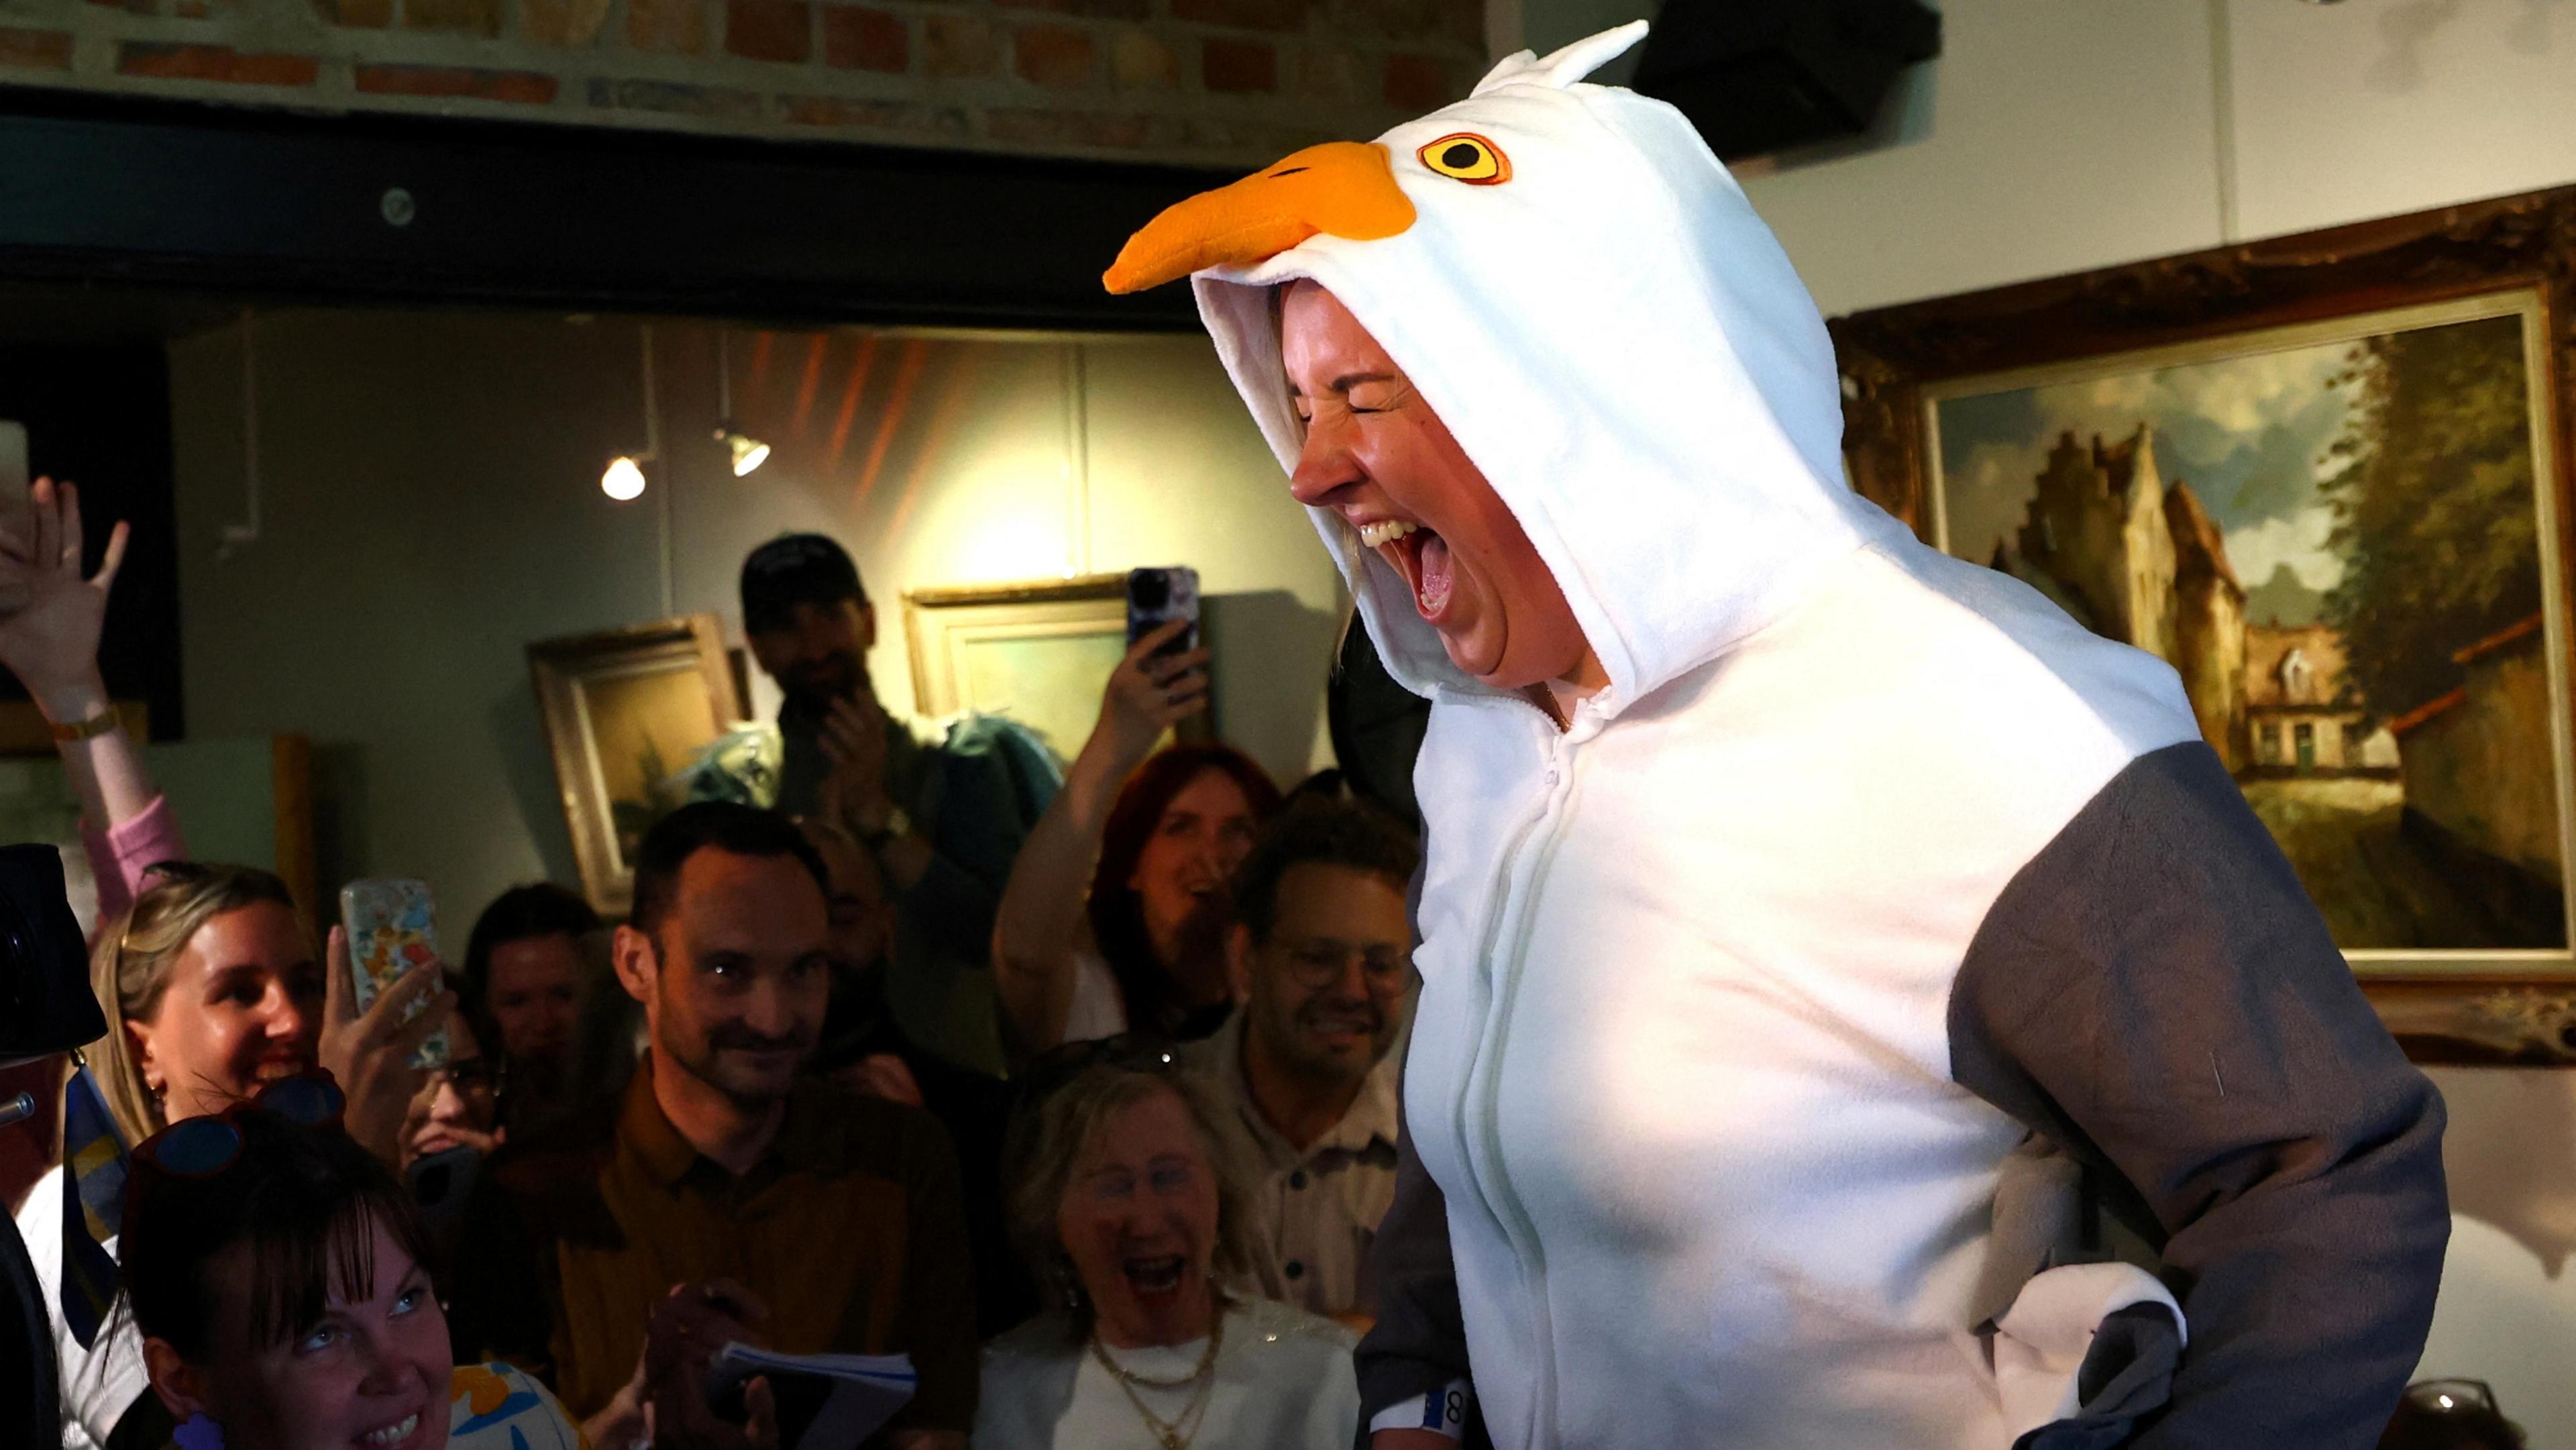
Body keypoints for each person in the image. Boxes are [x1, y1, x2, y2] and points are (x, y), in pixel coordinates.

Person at [1103, 21, 2449, 1450]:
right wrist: (1420, 1396)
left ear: (1580, 389)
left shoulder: (1977, 716)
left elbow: (2327, 1180)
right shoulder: (1488, 740)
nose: (1312, 466)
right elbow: (1484, 1139)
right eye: (1301, 401)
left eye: (1367, 394)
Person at [0, 486, 447, 1450]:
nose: (290, 1018)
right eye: (239, 993)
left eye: (304, 982)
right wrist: (353, 1168)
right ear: (139, 1040)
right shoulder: (85, 1215)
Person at [449, 801, 979, 1450]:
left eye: (804, 969)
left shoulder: (900, 1155)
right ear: (637, 964)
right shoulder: (534, 1191)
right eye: (728, 969)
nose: (773, 1016)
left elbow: (938, 1426)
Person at [740, 532, 1060, 1078]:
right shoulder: (737, 790)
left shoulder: (965, 760)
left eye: (828, 614)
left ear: (868, 619)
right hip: (790, 1093)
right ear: (758, 648)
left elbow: (1002, 941)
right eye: (786, 625)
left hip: (959, 1093)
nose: (815, 646)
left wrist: (882, 819)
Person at [119, 1080, 584, 1450]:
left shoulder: (518, 1421)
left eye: (407, 1299)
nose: (397, 1372)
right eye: (322, 1334)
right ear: (183, 1382)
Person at [977, 1056, 1359, 1450]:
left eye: (1170, 1177)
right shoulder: (998, 1398)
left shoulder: (1330, 1375)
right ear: (1052, 1214)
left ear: (1221, 1192)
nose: (1148, 1223)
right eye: (1113, 1187)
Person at [993, 626, 1283, 1053]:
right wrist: (1113, 745)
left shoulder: (1286, 1002)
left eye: (1238, 830)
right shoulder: (1090, 1003)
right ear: (1132, 865)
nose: (1211, 853)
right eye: (1180, 827)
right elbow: (1023, 954)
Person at [1181, 794, 1415, 1323]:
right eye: (1317, 959)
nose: (1353, 991)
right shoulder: (1164, 1124)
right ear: (1245, 958)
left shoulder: (1443, 1148)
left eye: (1381, 964)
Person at [458, 882, 603, 1134]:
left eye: (563, 996)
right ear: (483, 1007)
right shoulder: (462, 1111)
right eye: (516, 1002)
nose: (544, 1023)